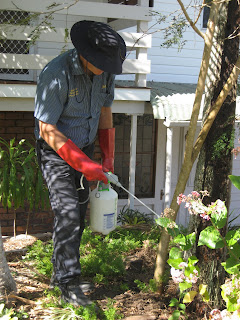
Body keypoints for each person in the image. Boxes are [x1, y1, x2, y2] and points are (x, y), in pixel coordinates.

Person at [34, 20, 126, 307]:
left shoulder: (105, 73)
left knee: (80, 214)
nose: (106, 68)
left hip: (84, 147)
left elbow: (105, 109)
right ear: (86, 54)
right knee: (69, 213)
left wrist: (107, 155)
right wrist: (83, 165)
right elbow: (45, 128)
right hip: (55, 149)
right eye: (102, 62)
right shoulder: (56, 74)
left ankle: (61, 273)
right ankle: (67, 283)